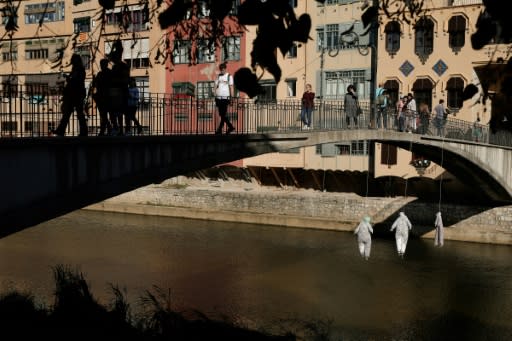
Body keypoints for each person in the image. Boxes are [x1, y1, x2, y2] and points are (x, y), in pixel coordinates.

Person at [52, 54, 88, 137]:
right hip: (74, 94)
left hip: (76, 94)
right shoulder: (77, 69)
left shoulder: (79, 70)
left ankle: (82, 131)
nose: (72, 61)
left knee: (76, 113)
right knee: (70, 113)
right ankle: (61, 130)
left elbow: (76, 81)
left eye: (73, 60)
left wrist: (68, 78)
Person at [109, 40, 130, 136]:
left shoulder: (123, 66)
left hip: (122, 91)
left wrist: (116, 81)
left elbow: (126, 80)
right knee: (115, 112)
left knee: (123, 112)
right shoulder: (114, 67)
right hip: (115, 92)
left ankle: (124, 129)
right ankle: (118, 128)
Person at [91, 58, 112, 136]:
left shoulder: (101, 74)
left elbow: (94, 84)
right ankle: (106, 130)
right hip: (107, 96)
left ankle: (107, 129)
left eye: (102, 64)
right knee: (104, 114)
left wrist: (94, 79)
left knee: (103, 114)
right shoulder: (109, 73)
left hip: (103, 96)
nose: (101, 66)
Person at [214, 62, 235, 135]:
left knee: (223, 114)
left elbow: (231, 88)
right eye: (221, 70)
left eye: (223, 69)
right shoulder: (218, 76)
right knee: (222, 114)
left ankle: (220, 129)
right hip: (219, 98)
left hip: (225, 98)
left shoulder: (229, 76)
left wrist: (232, 98)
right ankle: (230, 127)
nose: (222, 71)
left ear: (225, 69)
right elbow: (215, 86)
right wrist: (215, 94)